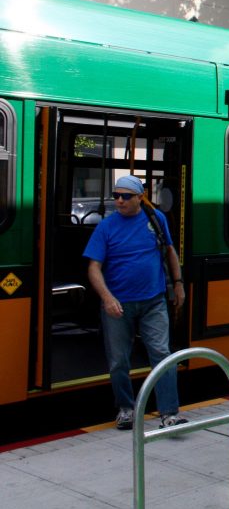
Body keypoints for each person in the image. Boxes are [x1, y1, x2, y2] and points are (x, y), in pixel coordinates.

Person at [83, 175, 187, 430]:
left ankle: (169, 413)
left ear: (140, 197)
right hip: (118, 305)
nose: (119, 201)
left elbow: (170, 252)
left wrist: (178, 283)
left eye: (125, 196)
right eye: (116, 196)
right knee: (119, 360)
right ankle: (126, 409)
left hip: (153, 301)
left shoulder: (155, 219)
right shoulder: (106, 227)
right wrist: (107, 298)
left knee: (162, 355)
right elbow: (93, 268)